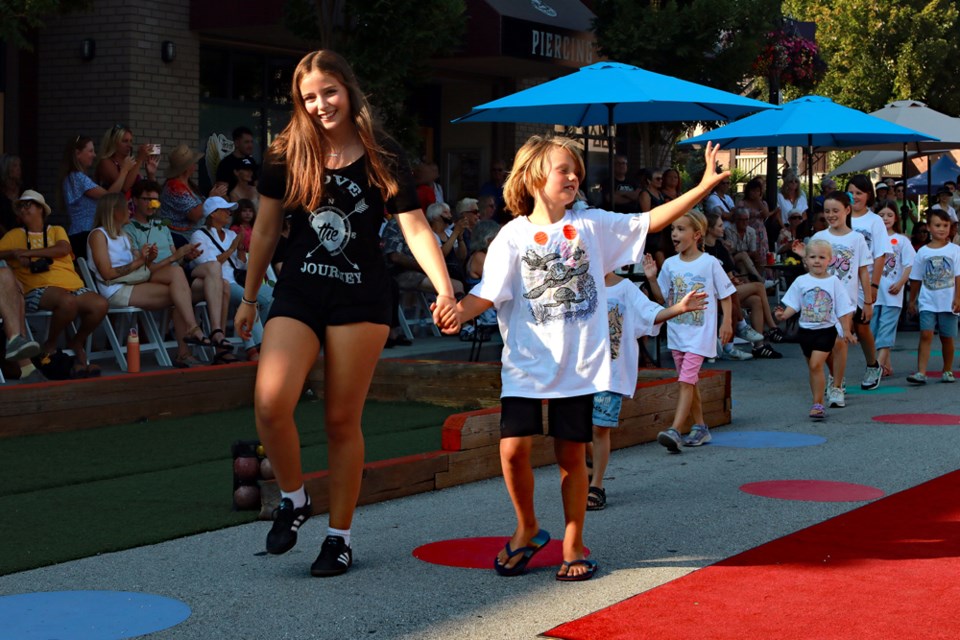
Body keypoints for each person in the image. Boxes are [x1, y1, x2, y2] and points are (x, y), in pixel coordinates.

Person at [451, 134, 728, 581]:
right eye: (564, 168)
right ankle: (527, 529)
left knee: (570, 457)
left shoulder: (592, 224)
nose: (574, 176)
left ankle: (574, 541)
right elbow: (488, 292)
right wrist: (457, 312)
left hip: (579, 368)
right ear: (534, 176)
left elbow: (650, 219)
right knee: (513, 451)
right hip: (526, 365)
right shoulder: (513, 235)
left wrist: (702, 187)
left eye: (576, 169)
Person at [233, 50, 459, 577]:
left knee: (340, 418)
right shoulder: (286, 152)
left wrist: (445, 289)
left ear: (349, 90)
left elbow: (416, 227)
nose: (319, 104)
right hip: (298, 292)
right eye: (308, 97)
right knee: (270, 403)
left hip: (361, 298)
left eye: (328, 92)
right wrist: (248, 297)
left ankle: (339, 537)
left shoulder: (382, 152)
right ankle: (294, 498)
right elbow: (266, 230)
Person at [588, 258, 707, 510]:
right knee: (578, 431)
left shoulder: (625, 289)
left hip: (610, 374)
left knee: (599, 428)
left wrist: (679, 308)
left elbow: (652, 313)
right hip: (577, 375)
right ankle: (590, 463)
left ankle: (596, 485)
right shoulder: (578, 285)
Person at [87, 192, 211, 368]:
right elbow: (106, 273)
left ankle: (191, 331)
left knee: (177, 275)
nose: (131, 211)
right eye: (127, 208)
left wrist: (158, 258)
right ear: (115, 211)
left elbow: (145, 269)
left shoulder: (124, 236)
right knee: (181, 296)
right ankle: (186, 347)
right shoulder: (98, 235)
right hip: (115, 289)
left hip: (134, 282)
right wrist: (140, 261)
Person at [650, 210, 736, 452]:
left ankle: (675, 430)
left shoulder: (710, 263)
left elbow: (727, 294)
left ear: (697, 235)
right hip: (677, 333)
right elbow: (663, 299)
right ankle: (700, 427)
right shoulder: (669, 264)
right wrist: (652, 278)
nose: (675, 234)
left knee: (686, 380)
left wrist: (726, 322)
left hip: (700, 333)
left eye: (681, 229)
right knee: (690, 381)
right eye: (673, 229)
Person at [0, 190, 108, 377]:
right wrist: (13, 253)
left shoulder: (57, 230)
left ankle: (77, 341)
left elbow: (63, 249)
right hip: (38, 288)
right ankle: (50, 344)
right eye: (21, 206)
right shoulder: (14, 235)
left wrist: (27, 253)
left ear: (41, 209)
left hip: (72, 285)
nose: (24, 209)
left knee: (100, 305)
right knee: (67, 303)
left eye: (29, 204)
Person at [774, 239, 856, 420]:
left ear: (830, 260)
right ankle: (822, 395)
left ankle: (817, 404)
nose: (817, 261)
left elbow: (843, 308)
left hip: (826, 330)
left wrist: (846, 330)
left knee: (815, 364)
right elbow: (794, 305)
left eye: (821, 257)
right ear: (806, 260)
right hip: (805, 331)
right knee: (813, 369)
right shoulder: (801, 281)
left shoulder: (834, 281)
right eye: (812, 257)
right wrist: (783, 316)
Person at [808, 192, 872, 409]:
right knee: (823, 344)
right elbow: (811, 266)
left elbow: (863, 271)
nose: (831, 215)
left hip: (846, 301)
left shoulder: (857, 238)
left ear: (847, 210)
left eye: (836, 210)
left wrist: (868, 301)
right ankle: (837, 376)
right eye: (827, 211)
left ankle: (836, 386)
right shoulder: (819, 237)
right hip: (821, 299)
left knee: (839, 341)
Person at [191, 196, 268, 362]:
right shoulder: (199, 235)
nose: (229, 213)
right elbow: (210, 265)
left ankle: (267, 340)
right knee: (248, 300)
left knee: (272, 297)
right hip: (220, 282)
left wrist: (240, 250)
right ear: (213, 214)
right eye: (225, 210)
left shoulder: (231, 233)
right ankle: (255, 348)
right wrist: (233, 247)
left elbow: (240, 266)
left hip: (237, 279)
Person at [704, 213, 782, 358]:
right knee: (758, 286)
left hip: (727, 289)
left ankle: (759, 346)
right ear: (709, 229)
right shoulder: (701, 249)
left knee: (756, 300)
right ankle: (771, 327)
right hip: (714, 293)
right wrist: (730, 280)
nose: (724, 229)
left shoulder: (719, 246)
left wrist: (734, 279)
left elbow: (728, 274)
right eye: (720, 226)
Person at [847, 175, 891, 390]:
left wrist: (873, 286)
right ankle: (836, 378)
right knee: (839, 328)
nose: (854, 197)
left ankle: (873, 365)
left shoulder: (874, 221)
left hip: (864, 282)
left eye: (859, 193)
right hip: (841, 281)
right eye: (851, 192)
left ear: (868, 196)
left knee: (861, 326)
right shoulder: (842, 217)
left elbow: (881, 255)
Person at [57, 136, 137, 256]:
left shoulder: (75, 177)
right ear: (77, 154)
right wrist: (124, 171)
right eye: (90, 151)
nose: (94, 155)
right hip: (83, 234)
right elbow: (109, 197)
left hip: (84, 233)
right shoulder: (77, 177)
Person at [906, 208, 960, 384]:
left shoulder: (955, 250)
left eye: (945, 225)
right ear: (928, 227)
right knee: (926, 334)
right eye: (937, 225)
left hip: (948, 302)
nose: (942, 229)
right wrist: (912, 300)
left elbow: (958, 276)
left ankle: (947, 370)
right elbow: (915, 278)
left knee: (947, 337)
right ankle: (921, 372)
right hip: (928, 301)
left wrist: (958, 297)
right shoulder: (923, 252)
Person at [871, 199, 915, 378]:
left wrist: (901, 282)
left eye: (889, 215)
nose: (885, 218)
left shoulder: (901, 240)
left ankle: (877, 367)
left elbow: (909, 263)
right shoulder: (871, 240)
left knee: (886, 329)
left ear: (895, 217)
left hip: (892, 294)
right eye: (881, 215)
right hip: (873, 295)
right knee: (873, 331)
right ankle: (886, 365)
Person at [159, 144, 207, 242]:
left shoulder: (186, 184)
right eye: (193, 162)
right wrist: (212, 198)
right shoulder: (174, 188)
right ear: (187, 167)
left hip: (189, 237)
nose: (195, 164)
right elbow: (195, 215)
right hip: (181, 239)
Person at [94, 125, 157, 191]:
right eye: (125, 141)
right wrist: (139, 159)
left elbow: (146, 192)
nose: (129, 145)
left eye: (131, 141)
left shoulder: (129, 162)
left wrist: (151, 175)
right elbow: (125, 188)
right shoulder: (105, 162)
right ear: (113, 143)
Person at [214, 126, 259, 194]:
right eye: (246, 142)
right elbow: (221, 193)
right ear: (237, 143)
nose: (250, 145)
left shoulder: (252, 161)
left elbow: (257, 186)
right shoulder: (226, 164)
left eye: (251, 142)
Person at [1, 154, 23, 233]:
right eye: (14, 166)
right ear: (6, 168)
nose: (18, 169)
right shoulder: (2, 194)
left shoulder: (24, 190)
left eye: (19, 165)